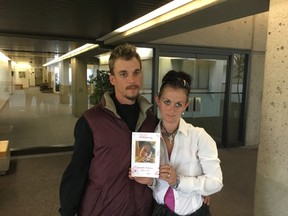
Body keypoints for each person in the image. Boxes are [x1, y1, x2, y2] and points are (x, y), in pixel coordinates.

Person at [59, 43, 158, 216]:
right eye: (123, 74)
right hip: (103, 210)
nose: (132, 80)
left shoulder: (151, 120)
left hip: (142, 209)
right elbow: (77, 170)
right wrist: (67, 211)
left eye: (136, 72)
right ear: (112, 79)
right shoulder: (91, 121)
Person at [132, 70, 223, 216]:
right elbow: (158, 185)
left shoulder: (199, 137)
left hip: (193, 211)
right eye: (167, 102)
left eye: (178, 104)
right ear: (158, 101)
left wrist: (179, 181)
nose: (171, 110)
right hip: (161, 211)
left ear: (186, 105)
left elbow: (216, 182)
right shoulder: (148, 140)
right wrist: (150, 181)